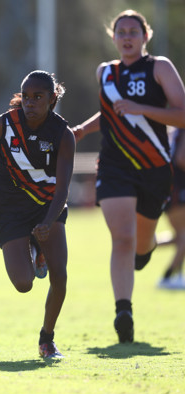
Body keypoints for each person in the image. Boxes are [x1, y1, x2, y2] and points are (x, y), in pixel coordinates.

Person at [71, 10, 185, 342]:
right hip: (114, 165)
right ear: (113, 37)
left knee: (141, 244)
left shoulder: (159, 67)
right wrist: (81, 129)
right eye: (121, 31)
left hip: (154, 168)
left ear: (145, 36)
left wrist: (144, 109)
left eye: (133, 31)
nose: (127, 36)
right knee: (121, 237)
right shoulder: (105, 73)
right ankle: (124, 310)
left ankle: (146, 251)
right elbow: (111, 113)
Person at [0, 70, 75, 359]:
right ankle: (34, 248)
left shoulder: (63, 134)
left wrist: (46, 223)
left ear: (52, 99)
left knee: (60, 276)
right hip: (9, 207)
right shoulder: (4, 124)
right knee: (23, 283)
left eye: (38, 97)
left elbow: (63, 189)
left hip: (48, 205)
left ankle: (47, 338)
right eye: (27, 97)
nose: (30, 103)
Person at [157, 128, 185, 290]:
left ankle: (143, 245)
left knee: (180, 238)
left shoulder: (174, 131)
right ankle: (168, 276)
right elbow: (182, 159)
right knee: (183, 237)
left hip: (171, 189)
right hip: (178, 190)